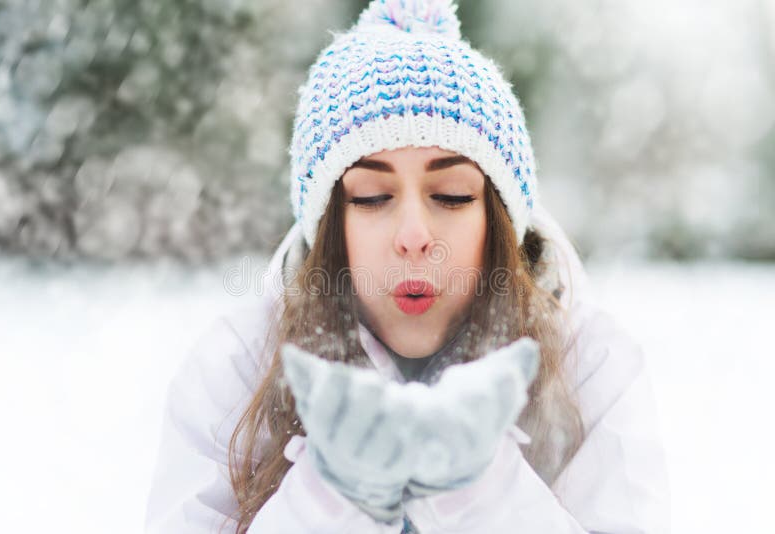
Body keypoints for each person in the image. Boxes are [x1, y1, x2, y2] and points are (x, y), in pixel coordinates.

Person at [144, 1, 670, 532]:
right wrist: (330, 499)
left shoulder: (589, 366)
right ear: (329, 226)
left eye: (451, 194)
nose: (414, 237)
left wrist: (481, 491)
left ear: (500, 220)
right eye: (372, 196)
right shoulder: (239, 367)